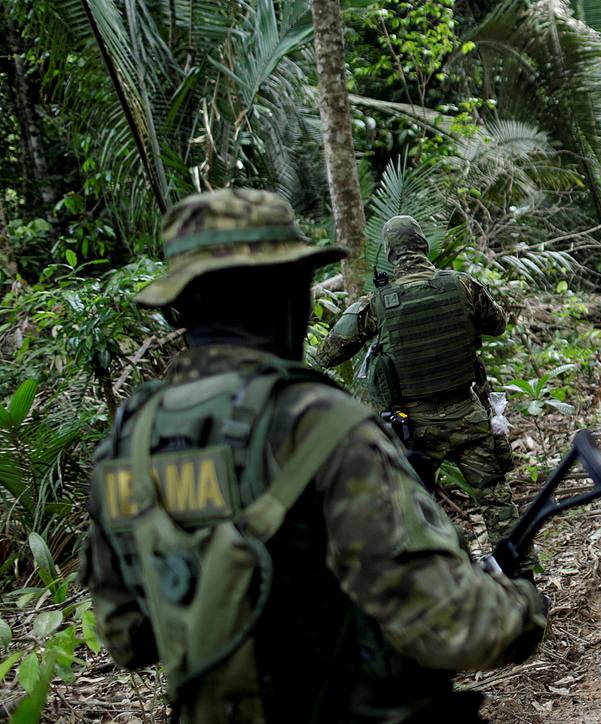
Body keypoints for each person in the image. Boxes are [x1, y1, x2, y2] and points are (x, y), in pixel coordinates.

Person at [79, 189, 546, 722]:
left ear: (177, 311)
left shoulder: (129, 440)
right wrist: (522, 609)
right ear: (292, 295)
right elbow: (452, 627)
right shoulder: (318, 425)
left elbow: (127, 638)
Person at [314, 215, 524, 561]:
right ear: (423, 245)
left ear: (390, 253)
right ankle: (523, 580)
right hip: (467, 413)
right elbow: (497, 324)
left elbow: (327, 354)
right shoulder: (462, 285)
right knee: (495, 499)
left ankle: (439, 585)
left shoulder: (377, 303)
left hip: (414, 427)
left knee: (412, 512)